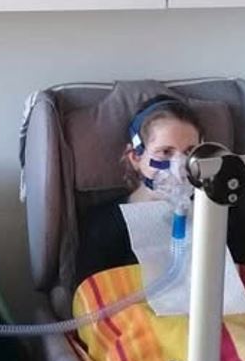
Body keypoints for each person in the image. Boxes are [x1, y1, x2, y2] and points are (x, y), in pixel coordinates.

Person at [74, 95, 203, 285]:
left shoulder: (219, 215)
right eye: (165, 152)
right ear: (135, 157)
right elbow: (90, 294)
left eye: (190, 152)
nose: (180, 166)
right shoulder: (103, 225)